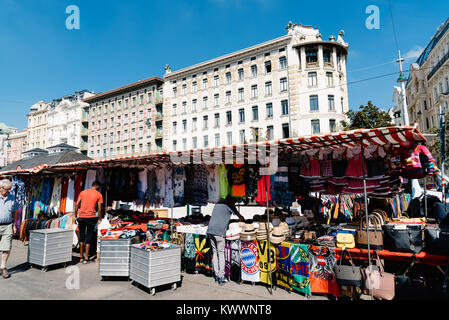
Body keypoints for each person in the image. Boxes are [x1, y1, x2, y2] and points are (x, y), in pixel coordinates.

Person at [206, 195, 245, 285]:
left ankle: (216, 275)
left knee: (215, 252)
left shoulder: (218, 203)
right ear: (233, 201)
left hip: (210, 230)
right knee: (221, 253)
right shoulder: (230, 205)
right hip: (219, 232)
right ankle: (221, 277)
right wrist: (243, 221)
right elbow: (240, 217)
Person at [75, 181, 103, 264]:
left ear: (92, 185)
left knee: (82, 236)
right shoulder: (99, 194)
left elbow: (77, 205)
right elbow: (100, 209)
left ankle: (80, 257)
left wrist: (75, 215)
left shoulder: (83, 192)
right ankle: (86, 257)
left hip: (81, 217)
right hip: (91, 217)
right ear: (97, 186)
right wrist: (99, 219)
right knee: (89, 236)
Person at [0, 179, 18, 279]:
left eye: (10, 189)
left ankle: (3, 267)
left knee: (7, 247)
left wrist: (14, 225)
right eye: (7, 189)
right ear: (1, 189)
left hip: (8, 225)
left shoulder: (12, 198)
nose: (9, 191)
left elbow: (15, 212)